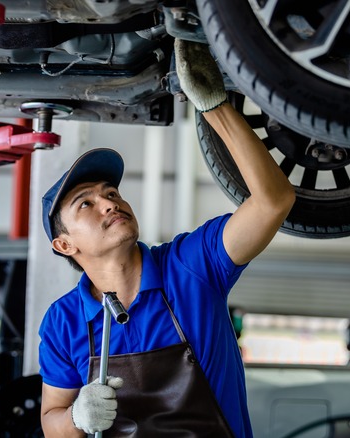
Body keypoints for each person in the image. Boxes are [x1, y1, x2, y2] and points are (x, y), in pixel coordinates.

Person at [37, 39, 296, 437]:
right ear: (65, 245)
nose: (109, 202)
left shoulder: (193, 266)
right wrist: (75, 418)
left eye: (110, 192)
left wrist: (214, 107)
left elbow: (272, 201)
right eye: (85, 204)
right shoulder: (63, 322)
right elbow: (51, 418)